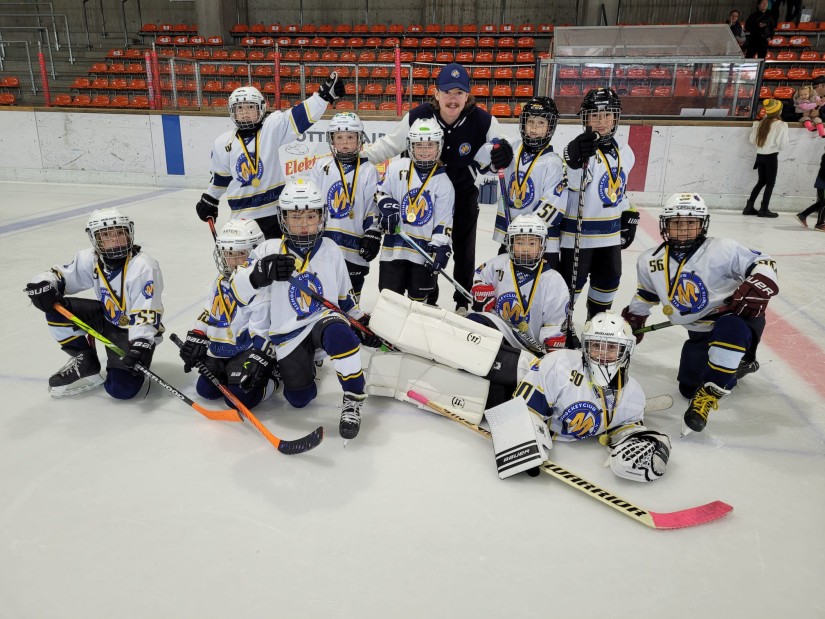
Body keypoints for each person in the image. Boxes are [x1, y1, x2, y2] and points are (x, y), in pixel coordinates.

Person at [230, 178, 377, 440]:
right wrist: (261, 273)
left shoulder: (331, 250)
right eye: (295, 216)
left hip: (324, 322)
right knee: (299, 399)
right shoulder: (268, 249)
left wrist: (360, 323)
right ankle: (295, 366)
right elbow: (238, 292)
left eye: (311, 215)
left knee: (340, 333)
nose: (303, 223)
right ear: (283, 217)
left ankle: (353, 398)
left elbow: (343, 301)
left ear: (322, 216)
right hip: (288, 335)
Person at [361, 62, 514, 313]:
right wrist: (359, 159)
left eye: (459, 93)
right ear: (436, 93)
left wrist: (505, 152)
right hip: (422, 195)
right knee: (425, 245)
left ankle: (461, 302)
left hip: (463, 194)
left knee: (464, 249)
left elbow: (505, 146)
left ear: (467, 95)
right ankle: (425, 293)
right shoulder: (417, 116)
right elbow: (388, 145)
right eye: (447, 92)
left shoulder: (484, 120)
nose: (452, 99)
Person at [621, 193, 779, 434]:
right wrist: (634, 318)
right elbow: (647, 295)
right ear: (665, 225)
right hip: (698, 331)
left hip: (736, 319)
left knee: (730, 331)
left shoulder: (722, 249)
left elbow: (764, 262)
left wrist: (758, 284)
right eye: (676, 223)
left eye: (690, 223)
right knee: (687, 387)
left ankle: (710, 393)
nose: (683, 229)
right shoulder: (649, 260)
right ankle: (738, 365)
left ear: (702, 224)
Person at [510, 311, 671, 482]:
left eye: (611, 347)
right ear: (585, 346)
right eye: (596, 345)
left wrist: (641, 441)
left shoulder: (632, 393)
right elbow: (523, 409)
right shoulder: (559, 364)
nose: (602, 353)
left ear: (626, 350)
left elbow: (623, 429)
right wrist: (526, 443)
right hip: (516, 380)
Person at [24, 208, 164, 399]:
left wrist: (141, 345)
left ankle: (127, 361)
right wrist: (44, 284)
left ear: (129, 233)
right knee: (56, 307)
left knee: (121, 390)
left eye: (119, 233)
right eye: (106, 235)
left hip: (132, 331)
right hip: (105, 317)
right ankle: (85, 359)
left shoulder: (144, 266)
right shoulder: (91, 258)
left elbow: (148, 309)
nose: (114, 239)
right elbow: (61, 275)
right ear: (95, 239)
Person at [195, 74, 346, 239]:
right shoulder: (223, 143)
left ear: (261, 108)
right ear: (233, 112)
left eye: (250, 107)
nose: (245, 113)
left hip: (275, 213)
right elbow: (220, 178)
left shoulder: (271, 127)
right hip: (242, 217)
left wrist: (323, 97)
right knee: (247, 263)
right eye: (240, 108)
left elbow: (299, 116)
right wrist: (210, 197)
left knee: (279, 260)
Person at [469, 214, 569, 406]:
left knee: (502, 387)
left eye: (532, 243)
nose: (524, 249)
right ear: (509, 243)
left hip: (532, 347)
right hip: (504, 329)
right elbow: (480, 277)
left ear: (543, 246)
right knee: (474, 321)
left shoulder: (554, 281)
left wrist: (550, 352)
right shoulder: (499, 264)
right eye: (519, 242)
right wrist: (481, 292)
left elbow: (554, 325)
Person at [178, 219, 277, 409]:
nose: (233, 261)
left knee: (240, 398)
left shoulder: (261, 287)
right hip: (222, 349)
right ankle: (231, 375)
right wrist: (198, 335)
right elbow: (211, 310)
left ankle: (274, 380)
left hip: (246, 349)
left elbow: (262, 327)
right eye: (228, 254)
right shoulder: (221, 279)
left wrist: (261, 357)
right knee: (205, 390)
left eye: (240, 254)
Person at [561, 87, 638, 324]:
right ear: (586, 118)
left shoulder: (625, 151)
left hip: (610, 237)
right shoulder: (575, 150)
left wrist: (629, 212)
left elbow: (619, 190)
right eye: (595, 115)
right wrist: (574, 161)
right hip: (578, 236)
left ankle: (596, 329)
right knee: (567, 291)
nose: (601, 121)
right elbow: (572, 186)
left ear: (616, 117)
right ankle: (561, 330)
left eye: (607, 115)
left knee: (608, 284)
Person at [374, 118, 455, 303]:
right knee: (389, 300)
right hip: (392, 249)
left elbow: (443, 223)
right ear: (411, 146)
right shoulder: (396, 169)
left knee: (418, 303)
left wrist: (440, 246)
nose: (425, 151)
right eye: (419, 146)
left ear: (439, 146)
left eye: (430, 145)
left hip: (422, 254)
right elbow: (380, 192)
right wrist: (385, 203)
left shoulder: (444, 183)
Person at [309, 111, 380, 302]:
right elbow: (311, 204)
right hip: (323, 243)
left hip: (354, 246)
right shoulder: (321, 166)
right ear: (332, 140)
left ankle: (351, 328)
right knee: (324, 292)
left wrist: (373, 233)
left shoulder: (368, 170)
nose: (345, 143)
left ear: (360, 139)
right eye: (339, 137)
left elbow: (372, 207)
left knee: (351, 297)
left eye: (350, 137)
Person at [489, 97, 568, 269]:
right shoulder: (512, 149)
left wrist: (524, 234)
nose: (533, 127)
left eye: (541, 122)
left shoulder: (554, 163)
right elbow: (485, 161)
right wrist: (495, 155)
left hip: (540, 244)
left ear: (550, 127)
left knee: (540, 290)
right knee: (506, 286)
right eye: (530, 121)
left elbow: (553, 206)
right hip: (509, 240)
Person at [743, 98, 788, 218]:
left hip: (760, 156)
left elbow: (752, 140)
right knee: (770, 183)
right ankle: (764, 209)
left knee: (761, 181)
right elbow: (783, 145)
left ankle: (749, 207)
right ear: (779, 111)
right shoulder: (781, 125)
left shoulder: (760, 123)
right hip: (771, 157)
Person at [795, 149, 825, 231]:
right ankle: (819, 224)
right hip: (823, 184)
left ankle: (803, 215)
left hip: (821, 183)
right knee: (824, 202)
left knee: (821, 202)